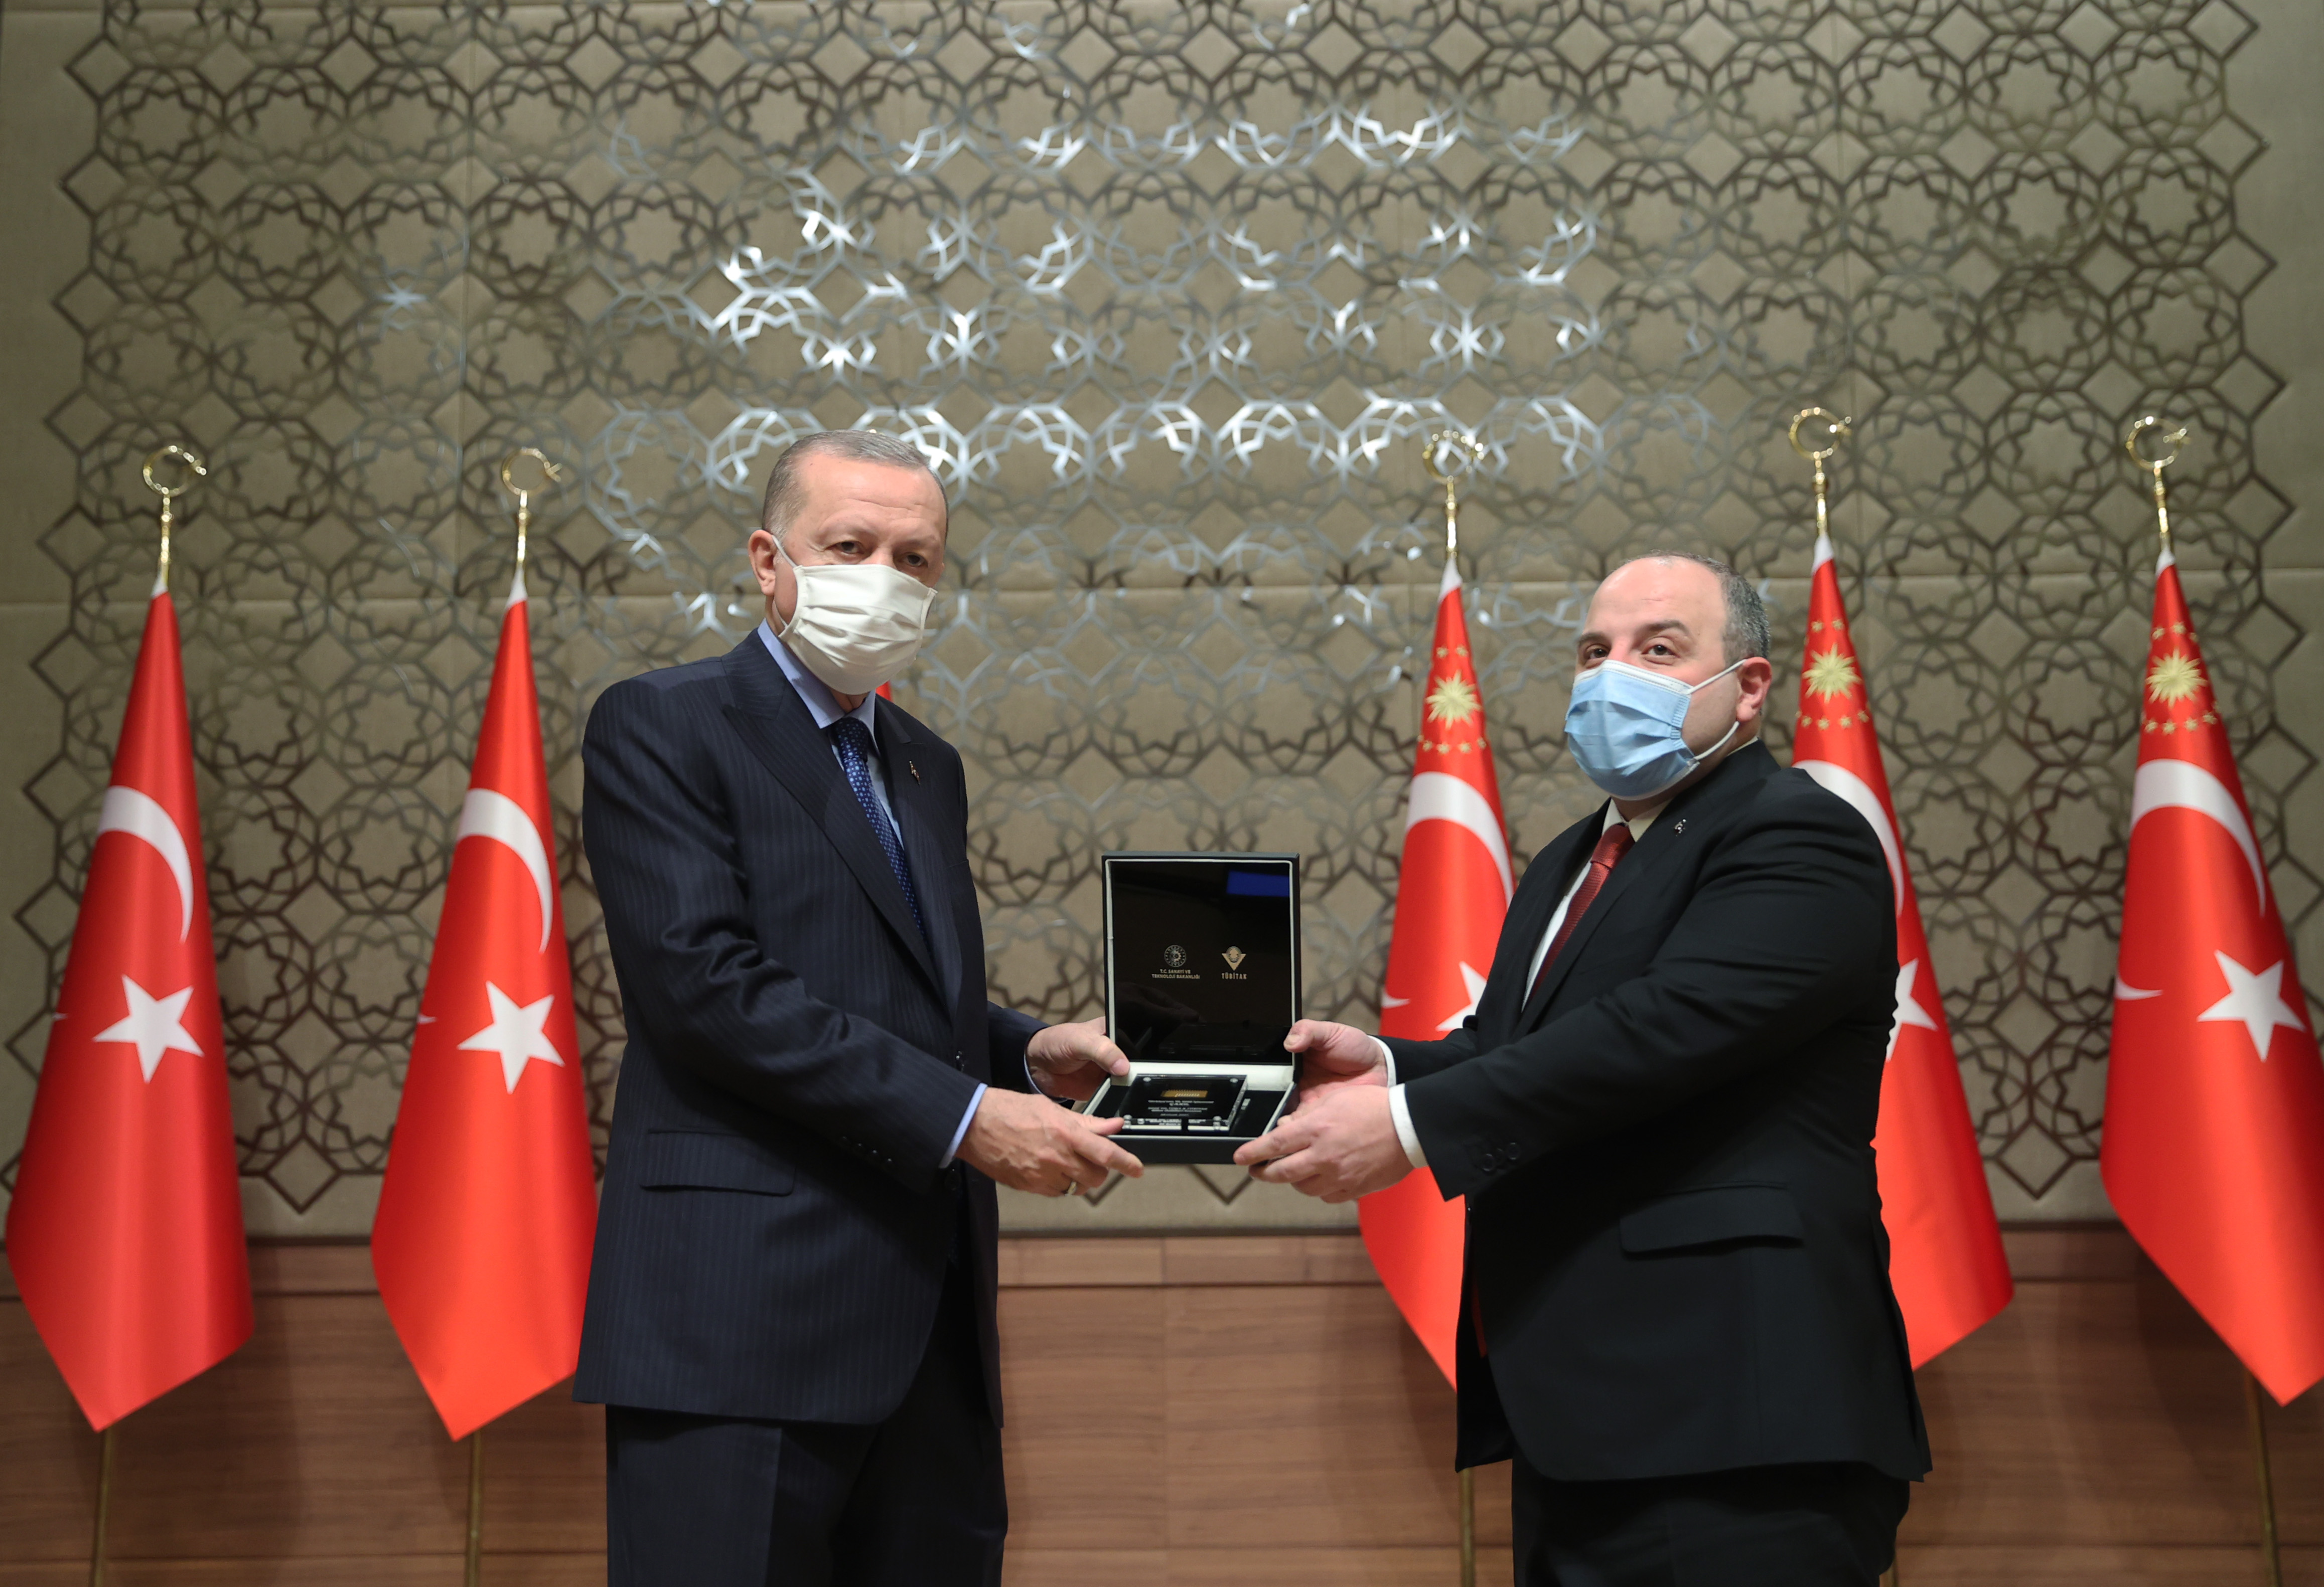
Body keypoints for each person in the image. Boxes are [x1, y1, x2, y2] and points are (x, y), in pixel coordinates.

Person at [1236, 552, 1930, 1584]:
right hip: (1582, 1413)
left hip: (1737, 1416)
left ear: (1748, 687)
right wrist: (1383, 1066)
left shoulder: (1798, 832)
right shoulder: (1576, 855)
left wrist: (1411, 1127)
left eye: (1660, 650)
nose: (1614, 676)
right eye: (1595, 651)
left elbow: (1662, 1030)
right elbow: (1522, 1050)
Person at [575, 430, 1143, 1586]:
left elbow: (898, 997)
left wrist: (1028, 1050)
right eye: (850, 546)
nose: (884, 577)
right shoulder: (663, 722)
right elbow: (705, 990)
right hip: (737, 1324)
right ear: (768, 560)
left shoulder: (926, 765)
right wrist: (965, 1117)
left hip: (931, 1336)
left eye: (914, 557)